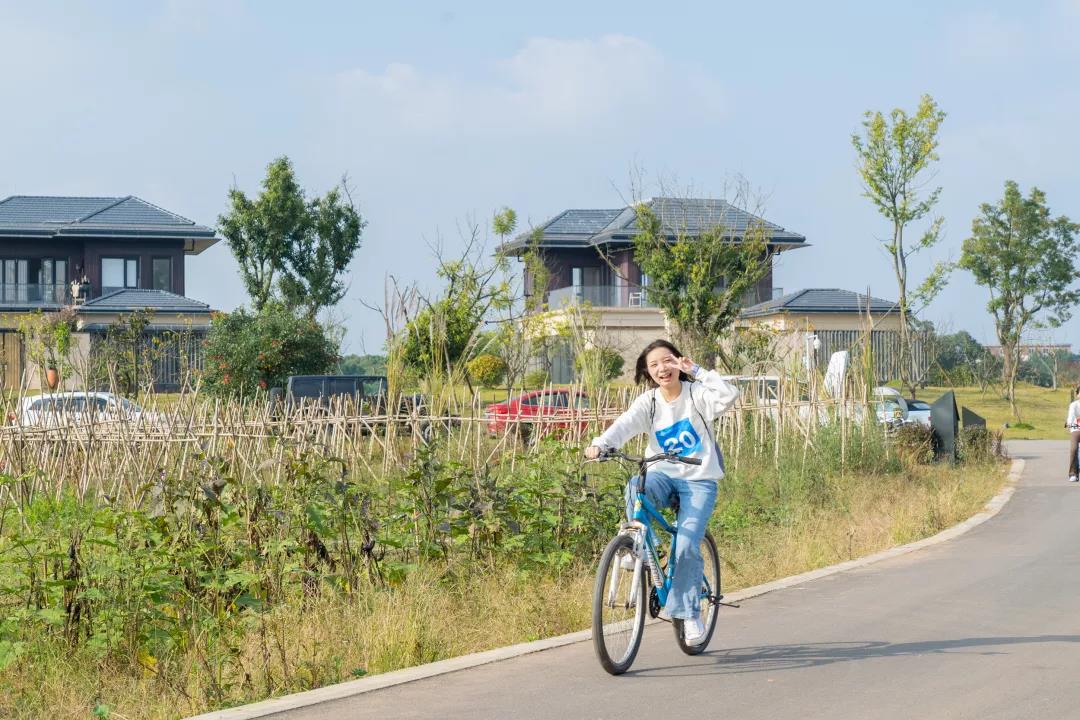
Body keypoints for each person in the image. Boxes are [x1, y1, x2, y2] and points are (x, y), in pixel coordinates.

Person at [584, 339, 739, 642]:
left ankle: (689, 614)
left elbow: (729, 394)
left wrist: (697, 371)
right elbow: (624, 425)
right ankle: (645, 547)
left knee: (686, 545)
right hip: (662, 476)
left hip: (699, 480)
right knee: (635, 488)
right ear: (648, 372)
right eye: (653, 365)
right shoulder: (650, 402)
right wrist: (600, 444)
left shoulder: (697, 394)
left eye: (667, 361)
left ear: (678, 362)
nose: (662, 369)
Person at [1065, 385, 1080, 482]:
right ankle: (1073, 473)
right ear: (1078, 395)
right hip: (1076, 429)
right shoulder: (1074, 405)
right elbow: (1071, 417)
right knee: (1074, 449)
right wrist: (1070, 423)